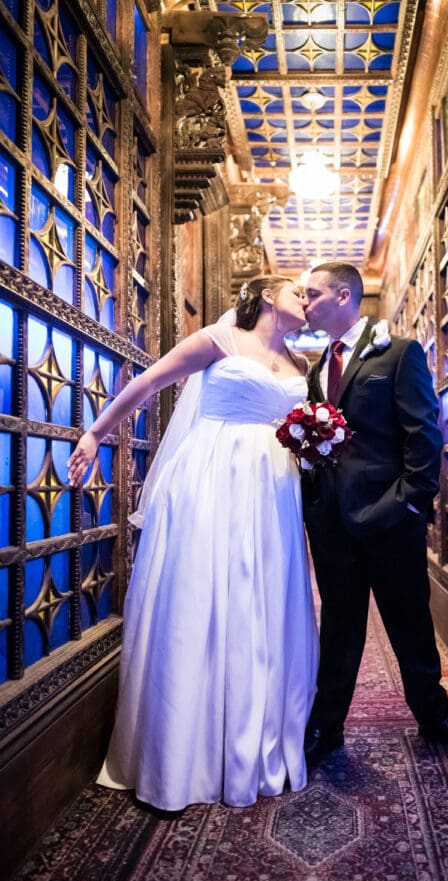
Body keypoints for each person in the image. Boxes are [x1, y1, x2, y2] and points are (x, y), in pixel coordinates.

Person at [68, 276, 319, 810]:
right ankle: (188, 749)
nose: (307, 299)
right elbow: (150, 384)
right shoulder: (218, 340)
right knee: (203, 594)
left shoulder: (302, 367)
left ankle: (256, 742)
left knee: (263, 600)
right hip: (213, 476)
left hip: (274, 490)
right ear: (268, 296)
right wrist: (95, 431)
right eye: (298, 291)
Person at [301, 261, 448, 764]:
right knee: (339, 626)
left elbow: (424, 439)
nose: (304, 303)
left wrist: (405, 505)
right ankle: (327, 726)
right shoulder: (319, 368)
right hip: (333, 526)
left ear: (344, 297)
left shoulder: (401, 354)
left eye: (312, 294)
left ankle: (436, 718)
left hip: (390, 521)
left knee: (409, 623)